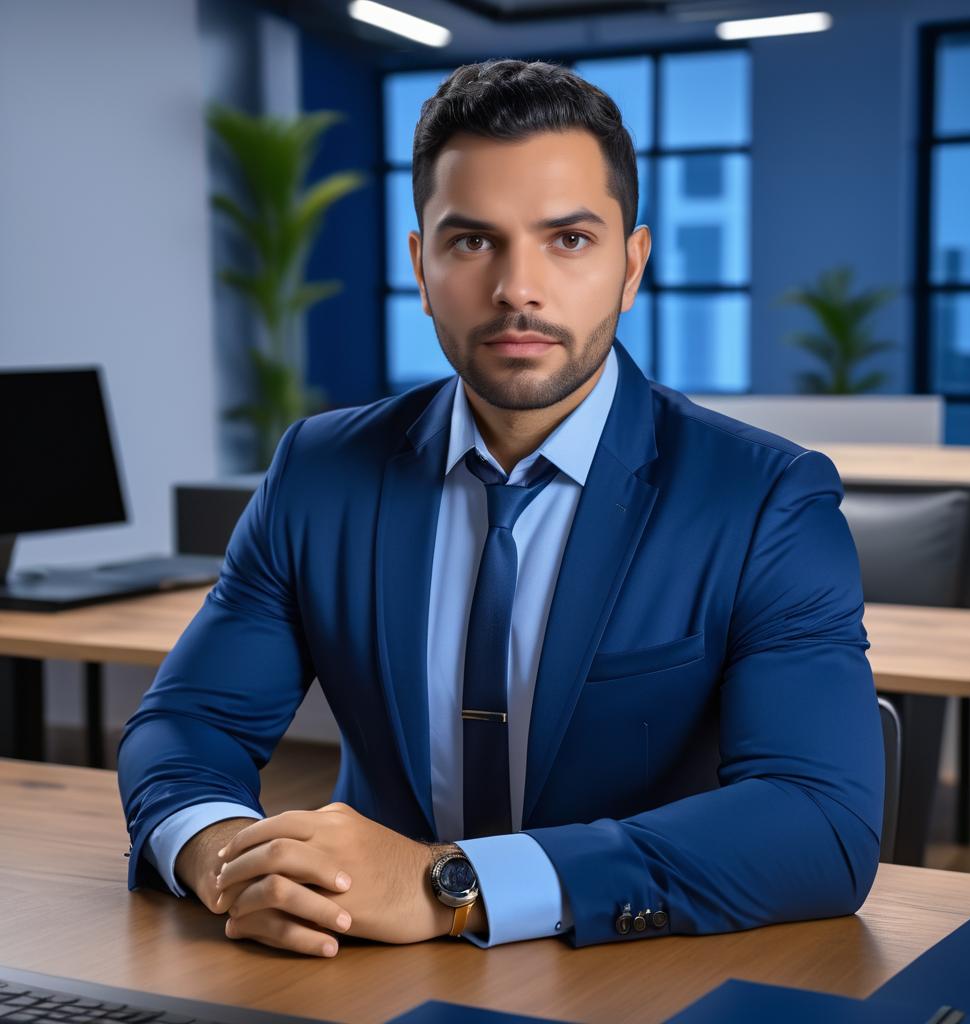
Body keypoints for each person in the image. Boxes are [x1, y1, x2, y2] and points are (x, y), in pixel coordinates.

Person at [117, 58, 885, 959]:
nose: (519, 288)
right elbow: (189, 723)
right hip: (356, 975)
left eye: (568, 240)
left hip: (634, 977)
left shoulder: (763, 497)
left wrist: (453, 888)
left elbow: (821, 823)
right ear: (421, 264)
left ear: (631, 265)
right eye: (473, 241)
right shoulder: (319, 470)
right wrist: (222, 858)